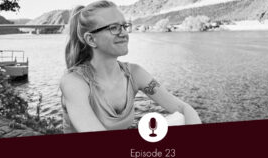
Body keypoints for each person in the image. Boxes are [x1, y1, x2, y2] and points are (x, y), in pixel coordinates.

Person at [60, 0, 201, 133]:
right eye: (113, 28)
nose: (124, 33)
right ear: (91, 39)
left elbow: (183, 108)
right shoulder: (74, 82)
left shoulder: (134, 74)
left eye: (124, 26)